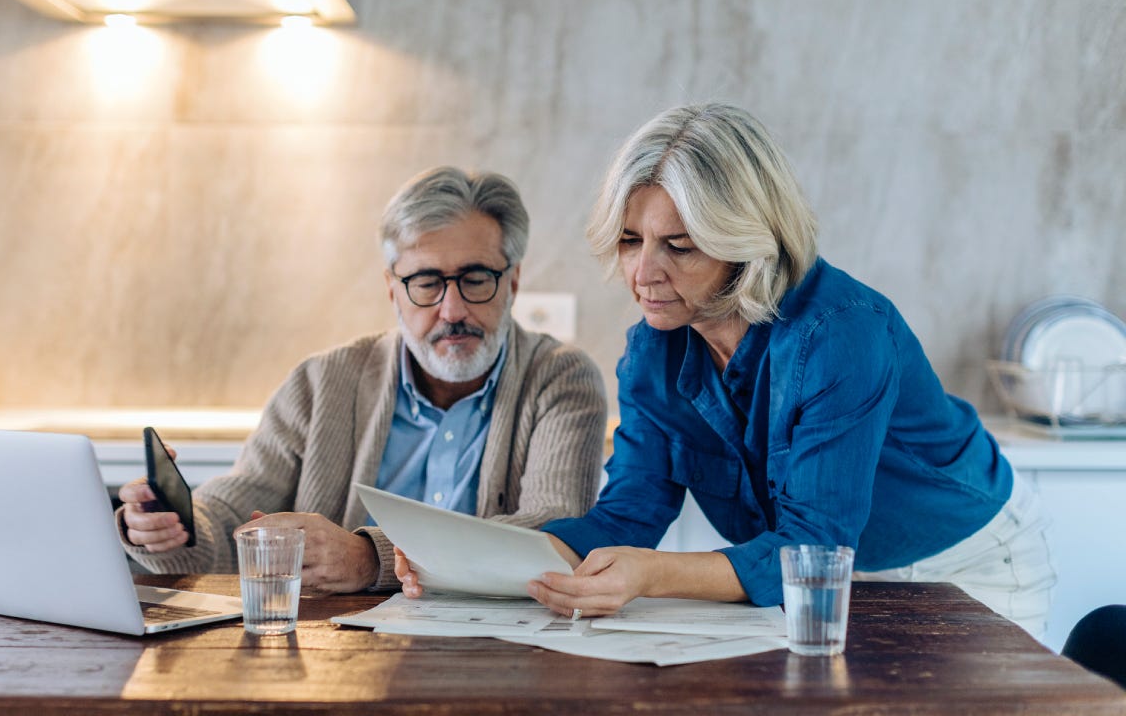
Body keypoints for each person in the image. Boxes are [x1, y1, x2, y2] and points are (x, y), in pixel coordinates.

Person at [399, 104, 1055, 637]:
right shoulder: (654, 350)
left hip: (966, 565)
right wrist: (472, 558)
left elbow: (812, 546)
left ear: (746, 241)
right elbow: (627, 516)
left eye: (677, 246)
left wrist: (652, 576)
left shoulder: (841, 335)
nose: (642, 273)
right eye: (631, 240)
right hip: (822, 579)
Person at [118, 166, 607, 593]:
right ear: (392, 288)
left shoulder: (560, 378)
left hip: (500, 653)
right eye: (426, 283)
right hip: (334, 656)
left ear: (513, 281)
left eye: (476, 279)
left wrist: (371, 558)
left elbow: (552, 535)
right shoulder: (320, 382)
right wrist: (175, 527)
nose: (452, 310)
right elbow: (232, 516)